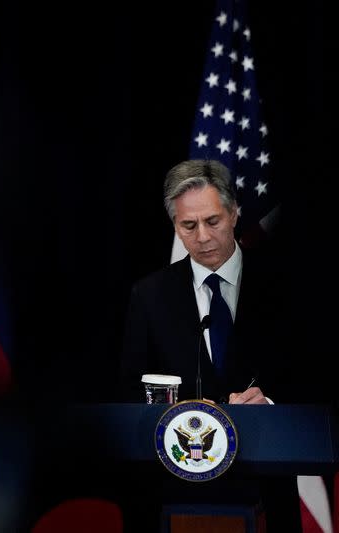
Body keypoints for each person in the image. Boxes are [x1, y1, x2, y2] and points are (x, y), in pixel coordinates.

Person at [119, 159, 299, 533]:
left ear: (235, 213)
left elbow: (312, 376)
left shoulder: (284, 287)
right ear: (176, 227)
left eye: (212, 221)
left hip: (266, 493)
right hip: (177, 498)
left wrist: (270, 402)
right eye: (189, 225)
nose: (202, 236)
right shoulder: (149, 296)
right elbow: (129, 393)